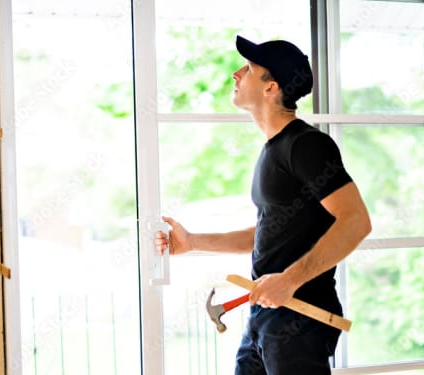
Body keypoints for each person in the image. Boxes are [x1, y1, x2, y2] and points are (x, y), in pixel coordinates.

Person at [155, 35, 371, 375]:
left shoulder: (308, 145)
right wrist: (193, 241)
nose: (236, 74)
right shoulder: (273, 149)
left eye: (250, 68)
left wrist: (288, 280)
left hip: (300, 317)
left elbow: (356, 220)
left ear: (271, 88)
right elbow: (269, 232)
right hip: (266, 317)